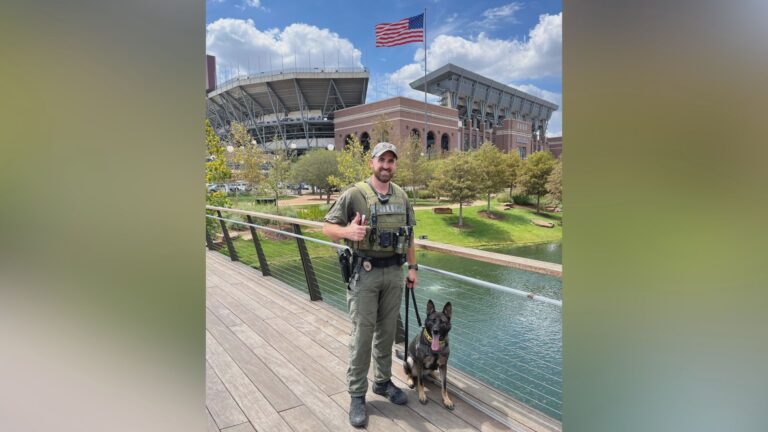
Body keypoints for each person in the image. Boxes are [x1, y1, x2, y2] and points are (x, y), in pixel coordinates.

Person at [322, 142, 419, 428]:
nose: (386, 166)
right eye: (382, 160)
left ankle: (383, 382)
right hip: (364, 274)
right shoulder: (355, 194)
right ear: (371, 163)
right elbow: (327, 227)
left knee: (387, 332)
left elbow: (410, 235)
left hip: (394, 273)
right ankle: (356, 394)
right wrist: (347, 231)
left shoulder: (402, 195)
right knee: (362, 336)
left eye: (391, 161)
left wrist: (413, 268)